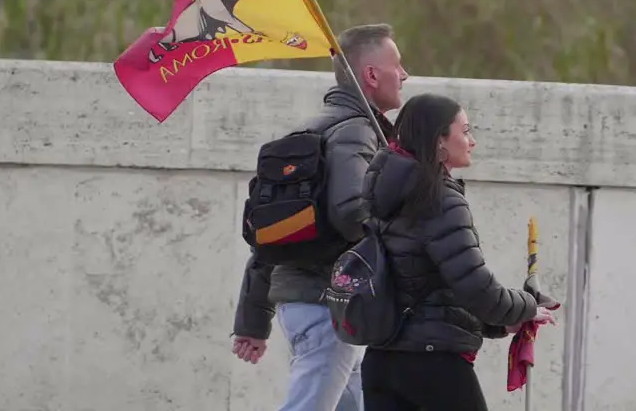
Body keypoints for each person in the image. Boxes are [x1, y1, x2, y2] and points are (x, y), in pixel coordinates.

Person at [232, 23, 409, 411]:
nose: (404, 74)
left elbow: (267, 234)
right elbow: (351, 213)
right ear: (371, 75)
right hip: (329, 306)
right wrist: (406, 235)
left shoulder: (308, 132)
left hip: (305, 303)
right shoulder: (356, 131)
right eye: (397, 65)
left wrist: (252, 319)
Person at [359, 93, 559, 411]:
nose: (472, 141)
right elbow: (475, 287)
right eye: (465, 131)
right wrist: (526, 306)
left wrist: (498, 324)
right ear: (439, 141)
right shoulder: (439, 198)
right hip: (434, 365)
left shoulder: (383, 194)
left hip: (382, 360)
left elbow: (427, 288)